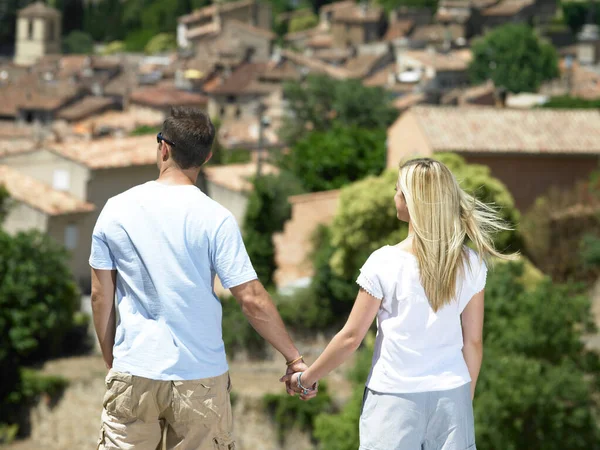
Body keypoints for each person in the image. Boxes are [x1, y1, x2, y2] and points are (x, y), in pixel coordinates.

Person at [89, 107, 311, 450]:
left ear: (164, 147)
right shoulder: (216, 218)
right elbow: (250, 297)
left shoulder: (115, 209)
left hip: (136, 370)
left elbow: (101, 296)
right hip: (200, 376)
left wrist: (114, 359)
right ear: (206, 156)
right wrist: (293, 358)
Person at [282, 158, 517, 449]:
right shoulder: (471, 262)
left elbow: (351, 337)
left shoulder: (384, 262)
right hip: (452, 394)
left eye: (398, 191)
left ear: (412, 202)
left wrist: (307, 379)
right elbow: (474, 342)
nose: (394, 197)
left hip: (394, 400)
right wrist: (463, 401)